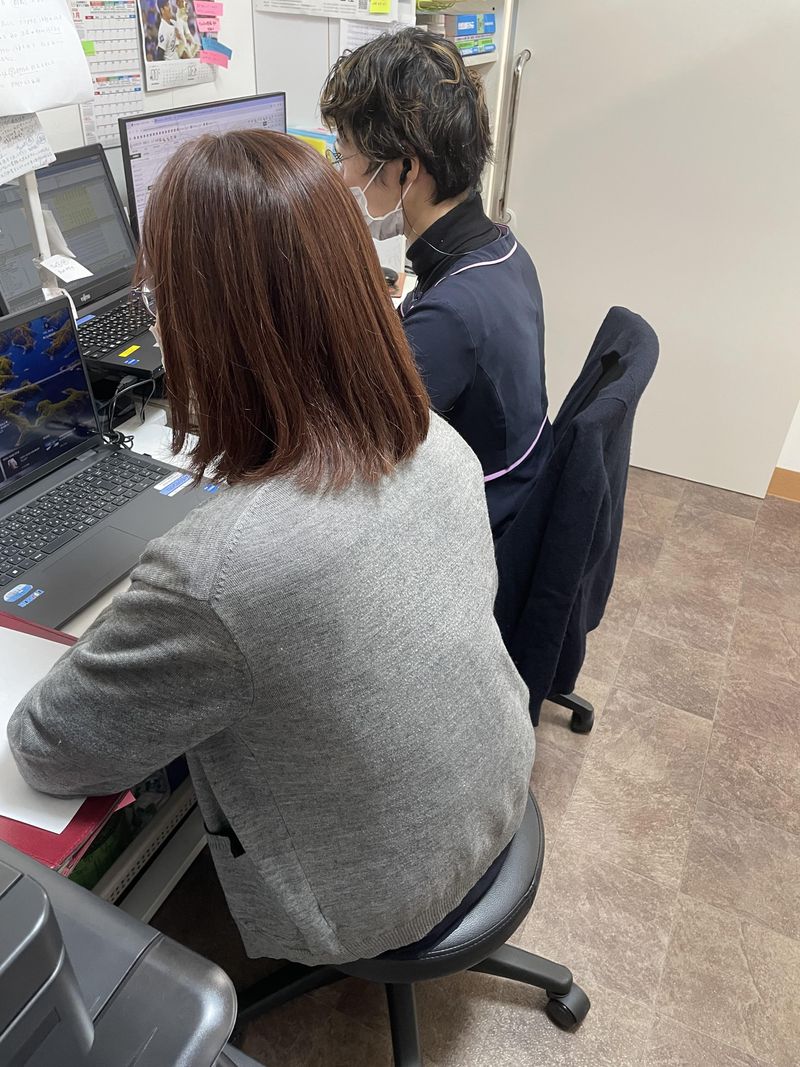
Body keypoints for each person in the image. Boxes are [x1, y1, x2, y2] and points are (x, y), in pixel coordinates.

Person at [8, 131, 534, 967]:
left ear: (206, 327)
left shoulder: (216, 576)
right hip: (496, 789)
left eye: (159, 303)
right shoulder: (437, 443)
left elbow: (48, 748)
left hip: (377, 897)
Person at [321, 28, 552, 540]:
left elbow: (352, 451)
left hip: (483, 533)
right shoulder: (500, 251)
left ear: (406, 168)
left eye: (346, 153)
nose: (344, 177)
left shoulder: (449, 318)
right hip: (519, 496)